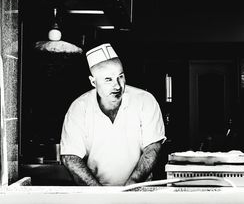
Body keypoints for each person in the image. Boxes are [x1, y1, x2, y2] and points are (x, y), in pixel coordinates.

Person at [60, 43, 166, 186]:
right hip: (95, 193)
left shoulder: (145, 100)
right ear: (93, 82)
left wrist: (131, 186)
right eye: (108, 79)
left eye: (120, 76)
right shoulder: (79, 108)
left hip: (138, 190)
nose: (117, 85)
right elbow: (70, 157)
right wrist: (100, 193)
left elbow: (153, 148)